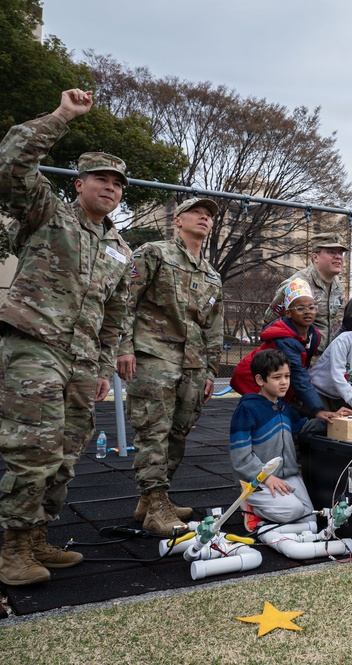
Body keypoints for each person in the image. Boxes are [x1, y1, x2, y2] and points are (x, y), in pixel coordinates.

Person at [0, 89, 132, 585]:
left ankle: (38, 537)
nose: (110, 188)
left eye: (117, 184)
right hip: (35, 344)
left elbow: (114, 312)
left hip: (81, 361)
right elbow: (11, 166)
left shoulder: (120, 249)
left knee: (66, 454)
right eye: (101, 179)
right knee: (33, 448)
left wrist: (101, 366)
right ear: (79, 184)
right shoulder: (47, 213)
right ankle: (13, 549)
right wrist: (61, 116)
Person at [116, 197, 224, 537]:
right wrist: (124, 348)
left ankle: (152, 499)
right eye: (196, 212)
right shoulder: (154, 253)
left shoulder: (211, 275)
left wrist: (210, 371)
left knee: (178, 433)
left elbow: (214, 327)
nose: (203, 218)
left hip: (193, 365)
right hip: (153, 357)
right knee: (154, 432)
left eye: (208, 215)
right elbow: (125, 300)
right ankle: (156, 504)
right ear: (177, 220)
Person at [231, 279, 338, 424]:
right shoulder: (284, 340)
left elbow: (301, 368)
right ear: (288, 313)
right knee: (265, 417)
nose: (307, 311)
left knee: (284, 415)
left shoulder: (314, 335)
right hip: (255, 378)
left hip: (274, 377)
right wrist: (317, 409)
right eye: (300, 308)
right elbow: (298, 373)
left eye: (311, 307)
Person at [230, 350, 314, 531]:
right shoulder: (247, 409)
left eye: (287, 376)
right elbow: (240, 457)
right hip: (257, 480)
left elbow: (303, 427)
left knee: (310, 520)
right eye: (277, 377)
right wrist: (266, 477)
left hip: (287, 475)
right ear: (260, 380)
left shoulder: (283, 407)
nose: (284, 382)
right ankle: (251, 509)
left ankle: (267, 521)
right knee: (294, 511)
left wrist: (330, 418)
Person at [265, 232, 348, 355]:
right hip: (296, 356)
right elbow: (270, 322)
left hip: (323, 358)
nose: (338, 257)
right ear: (315, 257)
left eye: (340, 253)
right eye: (331, 252)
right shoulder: (295, 285)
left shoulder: (337, 287)